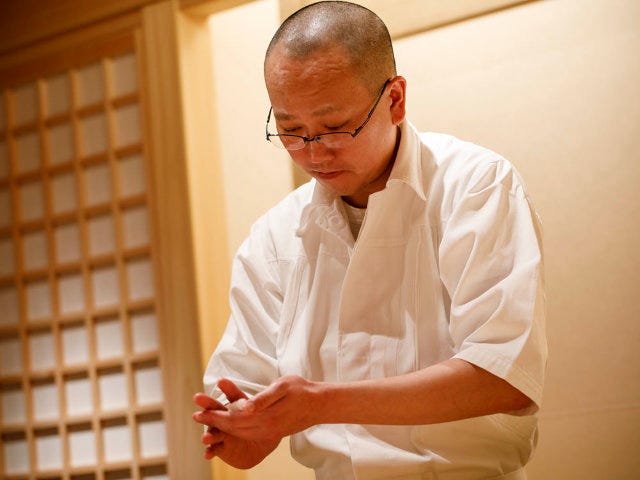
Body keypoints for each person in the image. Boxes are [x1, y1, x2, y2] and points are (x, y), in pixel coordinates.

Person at [192, 1, 547, 479]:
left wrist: (321, 404)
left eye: (335, 127)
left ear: (395, 99)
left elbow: (505, 376)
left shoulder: (475, 186)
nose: (314, 153)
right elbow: (245, 431)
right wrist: (239, 429)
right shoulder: (274, 239)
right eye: (291, 131)